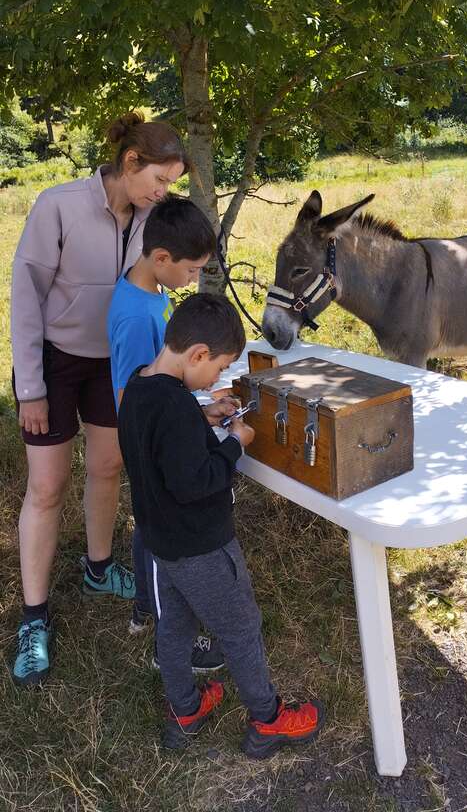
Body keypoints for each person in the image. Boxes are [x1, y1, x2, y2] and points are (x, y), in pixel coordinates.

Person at [11, 110, 188, 686]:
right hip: (56, 364)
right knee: (46, 485)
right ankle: (33, 618)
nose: (163, 194)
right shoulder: (58, 206)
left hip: (114, 363)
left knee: (109, 465)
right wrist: (31, 388)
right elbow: (25, 299)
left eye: (171, 186)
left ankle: (97, 568)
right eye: (160, 180)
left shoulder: (148, 219)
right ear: (130, 163)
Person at [118, 293, 324, 755]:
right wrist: (234, 443)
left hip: (161, 545)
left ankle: (186, 709)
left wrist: (200, 413)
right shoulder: (175, 409)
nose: (217, 380)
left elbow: (164, 439)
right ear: (197, 355)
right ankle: (268, 719)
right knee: (240, 627)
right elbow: (197, 482)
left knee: (174, 627)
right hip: (203, 547)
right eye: (218, 368)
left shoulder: (140, 388)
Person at [108, 194, 238, 674]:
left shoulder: (148, 294)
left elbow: (164, 393)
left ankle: (150, 605)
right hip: (150, 448)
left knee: (151, 525)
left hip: (155, 438)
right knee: (155, 530)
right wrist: (190, 423)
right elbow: (138, 397)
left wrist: (197, 414)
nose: (191, 280)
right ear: (161, 258)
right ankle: (156, 613)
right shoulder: (141, 316)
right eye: (190, 270)